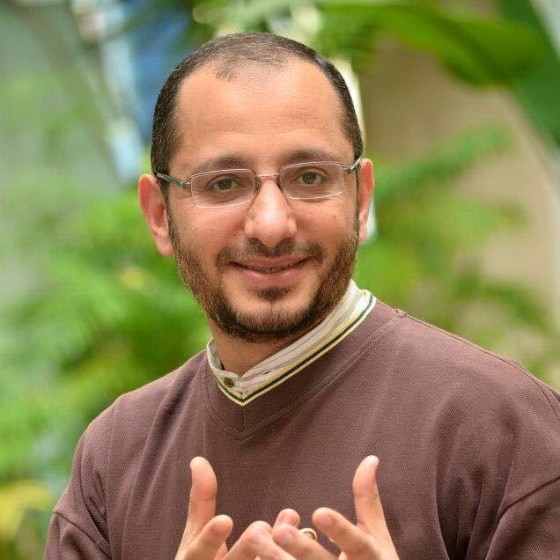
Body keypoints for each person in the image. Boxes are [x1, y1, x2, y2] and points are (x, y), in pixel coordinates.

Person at [45, 32, 560, 560]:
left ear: (361, 198)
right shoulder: (114, 459)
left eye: (310, 177)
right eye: (223, 184)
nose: (271, 225)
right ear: (159, 214)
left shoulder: (500, 428)